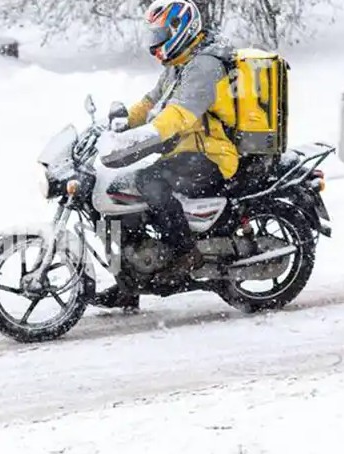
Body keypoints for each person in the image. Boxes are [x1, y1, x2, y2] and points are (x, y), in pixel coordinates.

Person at [96, 0, 240, 303]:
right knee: (122, 188)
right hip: (186, 150)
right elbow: (151, 101)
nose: (155, 43)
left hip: (212, 154)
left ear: (179, 29)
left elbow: (180, 114)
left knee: (149, 182)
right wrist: (121, 123)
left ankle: (185, 253)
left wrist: (148, 134)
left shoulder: (204, 65)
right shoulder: (181, 61)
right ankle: (131, 282)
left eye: (159, 34)